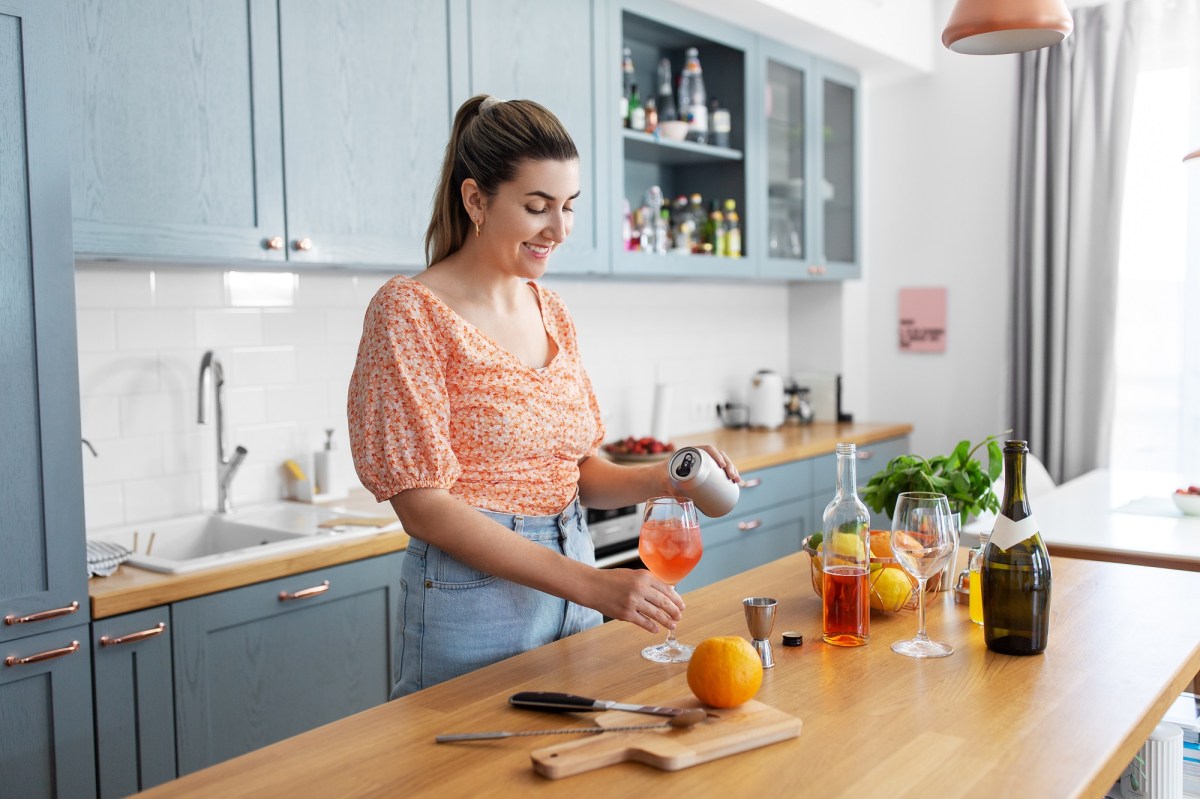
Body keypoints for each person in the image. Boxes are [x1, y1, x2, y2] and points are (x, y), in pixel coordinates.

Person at [347, 95, 740, 698]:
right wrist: (589, 583)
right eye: (537, 208)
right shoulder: (410, 311)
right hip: (471, 601)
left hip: (571, 569)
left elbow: (578, 470)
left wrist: (669, 477)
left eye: (568, 207)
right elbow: (421, 504)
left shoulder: (548, 309)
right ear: (476, 199)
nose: (559, 230)